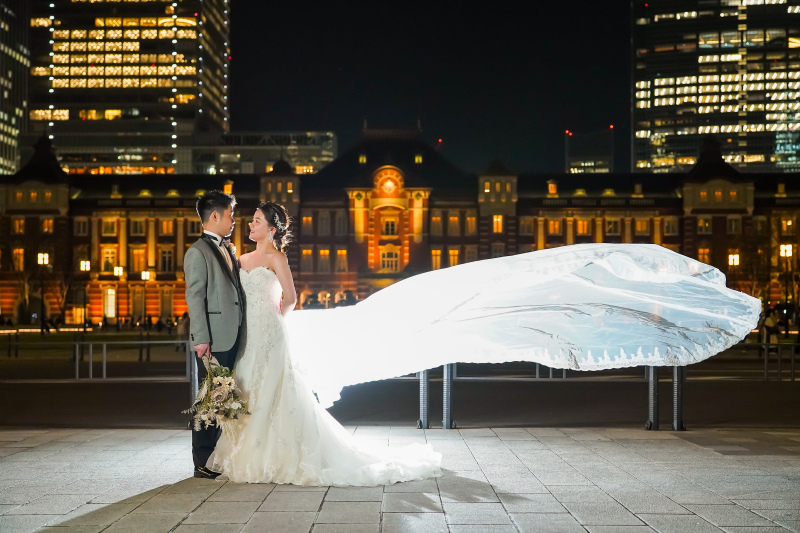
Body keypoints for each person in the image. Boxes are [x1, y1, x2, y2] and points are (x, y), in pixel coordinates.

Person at [207, 202, 442, 485]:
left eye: (257, 221)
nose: (250, 225)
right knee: (248, 387)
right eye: (252, 220)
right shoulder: (241, 259)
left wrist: (273, 321)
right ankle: (248, 451)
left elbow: (291, 298)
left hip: (271, 332)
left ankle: (279, 455)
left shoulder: (277, 259)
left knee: (273, 387)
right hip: (247, 334)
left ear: (271, 230)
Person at [184, 190, 245, 480]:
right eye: (231, 214)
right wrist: (201, 338)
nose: (234, 220)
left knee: (225, 398)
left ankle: (219, 455)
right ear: (215, 216)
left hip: (233, 335)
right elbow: (195, 297)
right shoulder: (197, 252)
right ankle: (202, 461)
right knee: (211, 400)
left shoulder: (227, 248)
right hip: (214, 339)